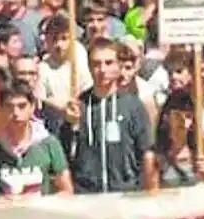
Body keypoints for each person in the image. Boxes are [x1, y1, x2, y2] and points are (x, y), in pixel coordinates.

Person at [62, 38, 154, 194]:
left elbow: (146, 152)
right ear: (89, 67)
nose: (102, 69)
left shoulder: (133, 105)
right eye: (96, 64)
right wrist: (70, 126)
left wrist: (150, 190)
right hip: (87, 195)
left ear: (119, 66)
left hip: (125, 192)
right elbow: (65, 153)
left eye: (108, 63)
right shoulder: (79, 106)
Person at [0, 82, 73, 198]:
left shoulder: (49, 144)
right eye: (9, 107)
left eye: (22, 106)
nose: (15, 113)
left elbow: (67, 191)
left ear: (32, 107)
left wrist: (42, 201)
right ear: (1, 109)